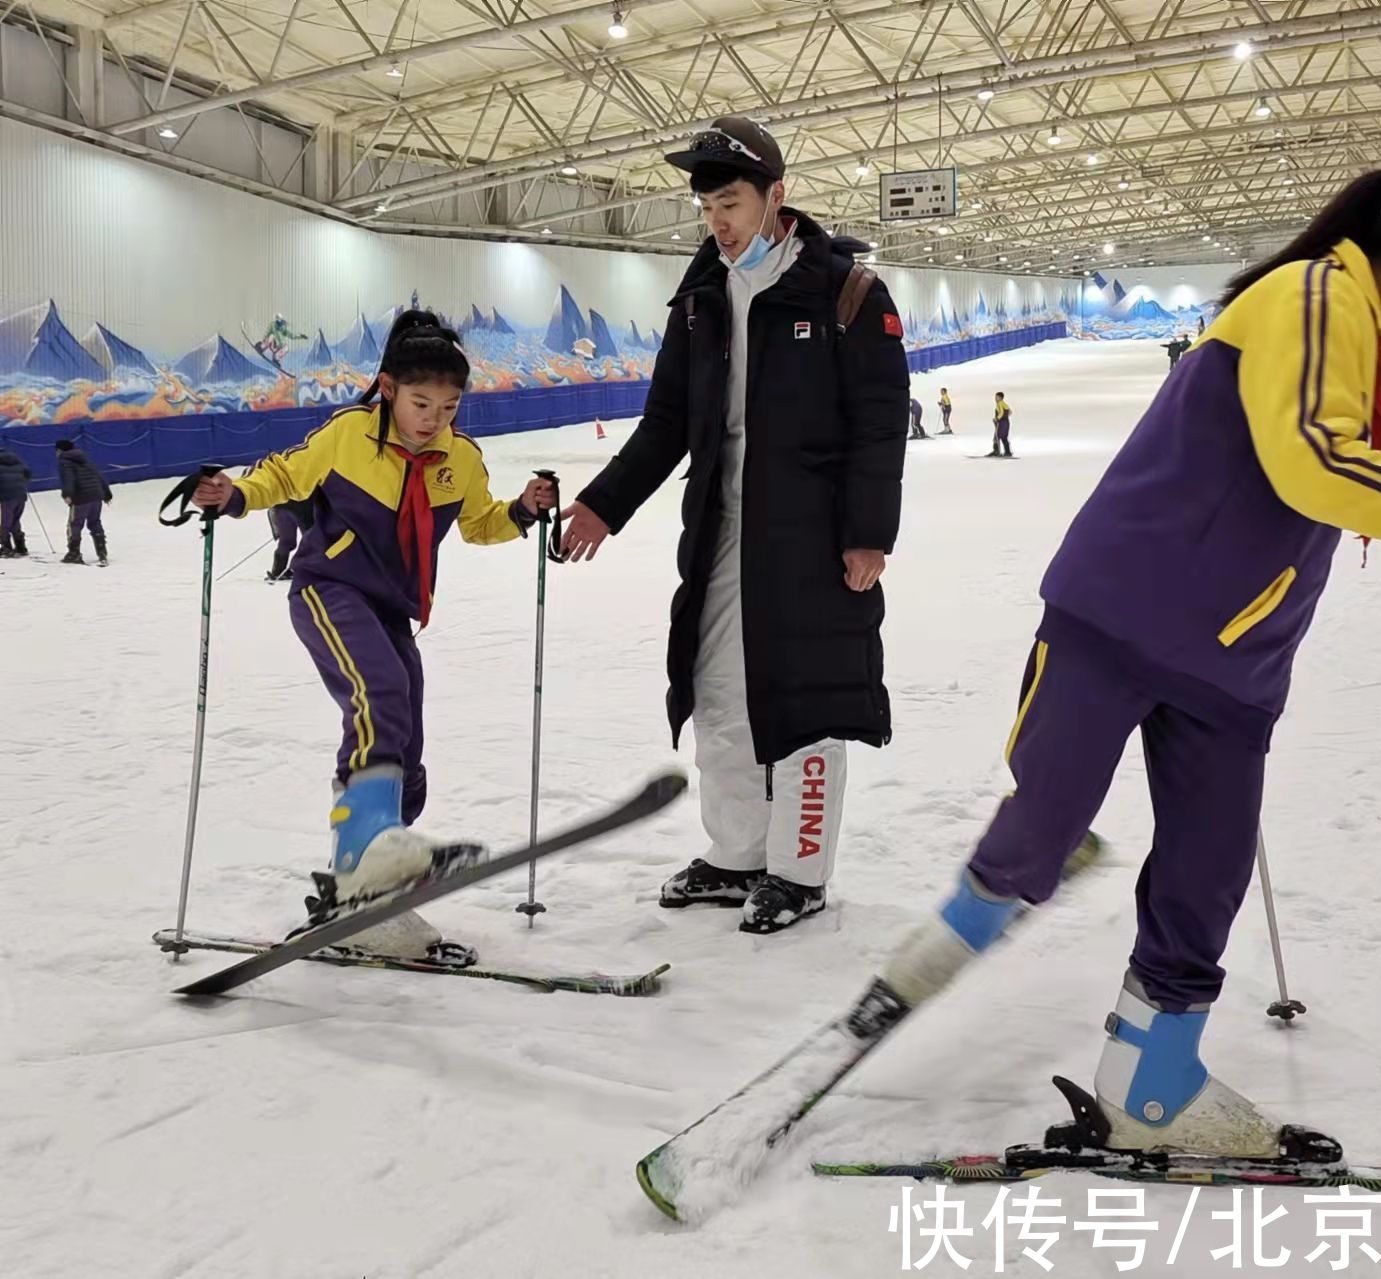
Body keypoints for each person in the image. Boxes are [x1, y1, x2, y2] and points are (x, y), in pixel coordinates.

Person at [882, 171, 1381, 1158]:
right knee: (1045, 817)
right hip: (1123, 611)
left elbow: (1307, 483)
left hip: (1230, 657)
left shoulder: (1349, 329)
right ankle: (940, 946)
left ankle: (1149, 1078)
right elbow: (1313, 464)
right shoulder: (1309, 300)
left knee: (1204, 873)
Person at [557, 116, 908, 935]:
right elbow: (665, 420)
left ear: (775, 197)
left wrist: (868, 532)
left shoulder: (845, 293)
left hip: (814, 537)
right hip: (722, 529)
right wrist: (603, 502)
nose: (718, 221)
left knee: (809, 699)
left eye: (732, 202)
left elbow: (880, 422)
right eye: (708, 205)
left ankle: (799, 869)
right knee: (718, 692)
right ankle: (738, 852)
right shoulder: (701, 298)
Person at [191, 310, 556, 957]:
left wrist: (525, 510)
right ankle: (365, 857)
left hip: (391, 609)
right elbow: (283, 475)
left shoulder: (459, 459)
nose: (433, 419)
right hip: (330, 590)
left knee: (406, 731)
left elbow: (480, 523)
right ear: (387, 389)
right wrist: (235, 494)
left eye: (448, 407)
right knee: (380, 692)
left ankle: (372, 885)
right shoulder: (349, 435)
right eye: (421, 403)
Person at [55, 440, 111, 566]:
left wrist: (67, 494)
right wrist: (107, 493)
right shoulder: (85, 459)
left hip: (81, 497)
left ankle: (73, 553)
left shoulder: (64, 462)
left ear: (59, 451)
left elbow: (68, 478)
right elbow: (98, 476)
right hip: (96, 495)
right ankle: (102, 552)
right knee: (95, 522)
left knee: (74, 524)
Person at [0, 447, 30, 557]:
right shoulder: (17, 462)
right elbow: (28, 473)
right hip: (21, 496)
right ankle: (21, 546)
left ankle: (6, 546)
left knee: (6, 522)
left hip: (7, 497)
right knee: (14, 520)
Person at [989, 392, 1013, 458]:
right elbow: (1010, 412)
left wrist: (997, 419)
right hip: (1006, 422)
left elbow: (1001, 412)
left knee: (996, 436)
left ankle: (996, 451)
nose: (995, 399)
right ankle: (1008, 452)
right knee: (1004, 437)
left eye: (996, 397)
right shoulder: (1004, 404)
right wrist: (1005, 417)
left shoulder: (999, 403)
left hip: (1001, 423)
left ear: (1000, 398)